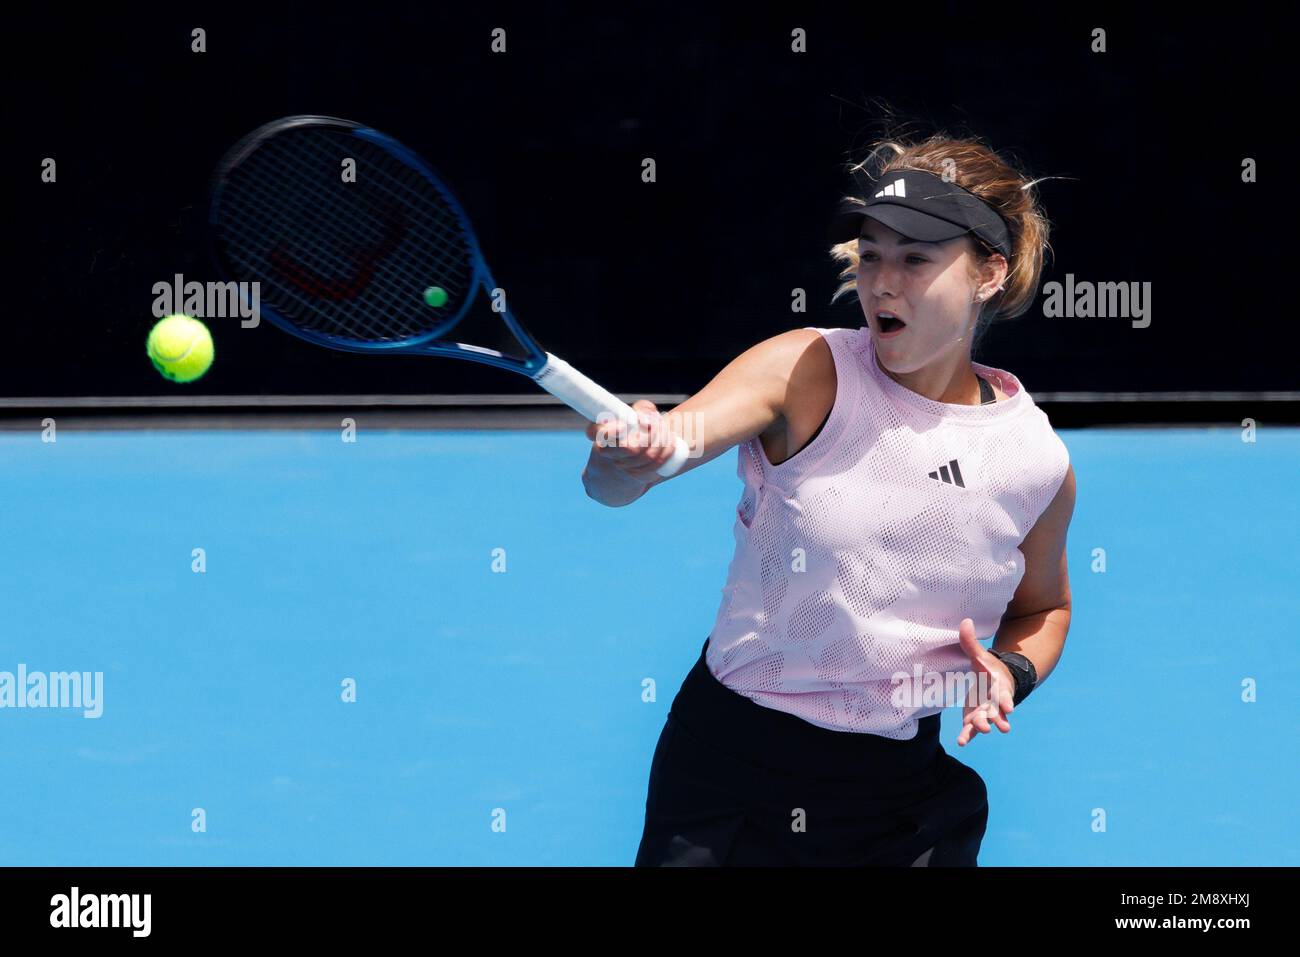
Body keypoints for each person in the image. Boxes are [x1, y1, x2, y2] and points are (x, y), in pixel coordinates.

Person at [583, 131, 1077, 866]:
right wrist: (629, 458)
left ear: (989, 273)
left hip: (903, 800)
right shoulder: (807, 371)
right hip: (731, 779)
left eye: (915, 259)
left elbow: (1043, 608)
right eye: (872, 255)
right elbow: (634, 472)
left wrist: (1013, 670)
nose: (883, 282)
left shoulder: (1035, 459)